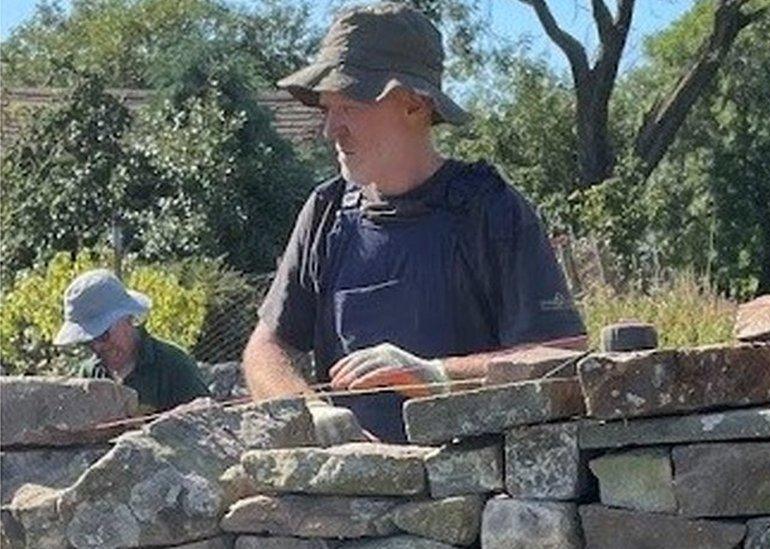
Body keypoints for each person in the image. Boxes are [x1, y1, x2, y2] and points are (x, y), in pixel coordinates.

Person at [243, 2, 587, 442]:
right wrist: (309, 412)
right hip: (346, 495)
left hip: (476, 496)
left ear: (414, 104)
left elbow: (564, 356)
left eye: (348, 105)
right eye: (326, 109)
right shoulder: (325, 212)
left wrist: (438, 375)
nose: (331, 130)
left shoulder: (490, 208)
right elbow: (265, 349)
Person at [54, 269, 210, 413]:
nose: (97, 346)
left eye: (102, 335)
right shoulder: (89, 373)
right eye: (86, 341)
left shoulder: (174, 366)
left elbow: (208, 429)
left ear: (127, 318)